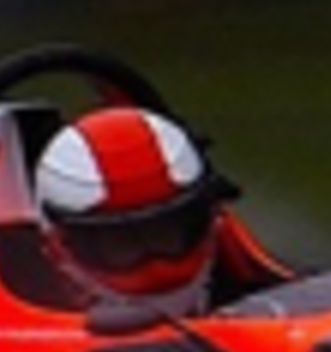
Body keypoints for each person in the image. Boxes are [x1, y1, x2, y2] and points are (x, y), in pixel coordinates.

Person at [32, 105, 235, 316]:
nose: (158, 268)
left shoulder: (264, 309)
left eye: (162, 233)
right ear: (59, 248)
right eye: (121, 243)